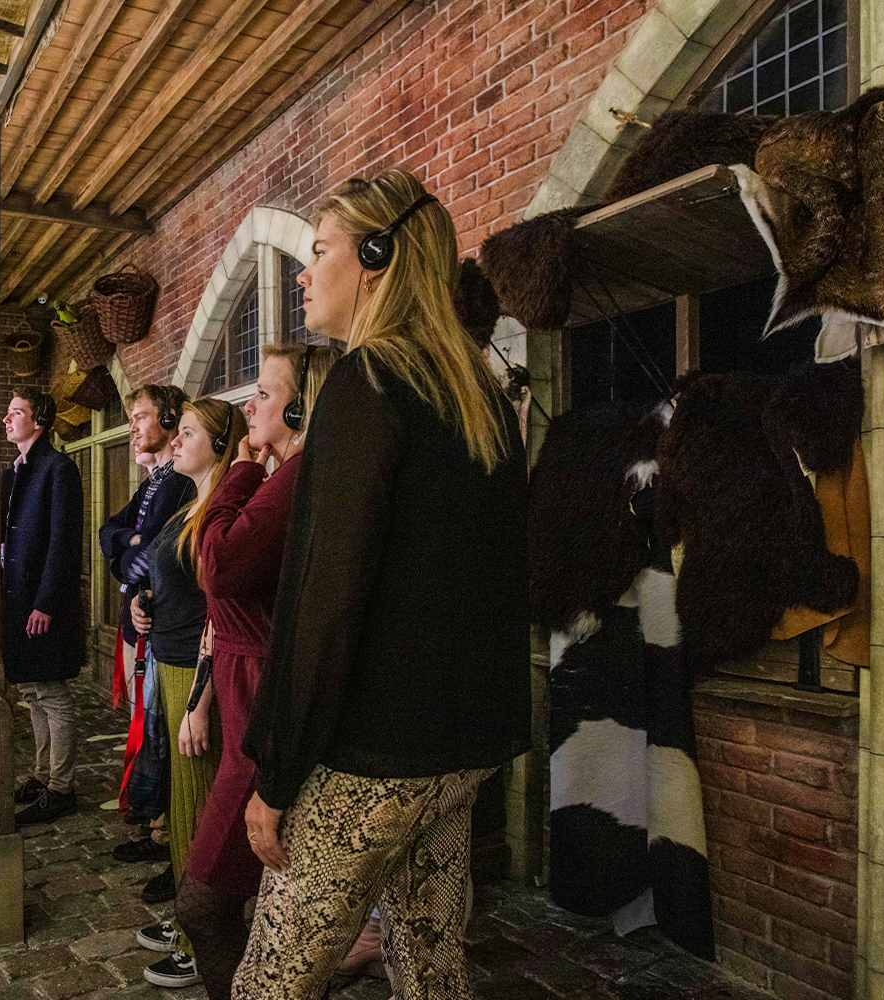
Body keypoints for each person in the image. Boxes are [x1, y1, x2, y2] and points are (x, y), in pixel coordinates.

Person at [234, 171, 530, 999]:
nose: (302, 272)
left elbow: (324, 601)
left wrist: (277, 772)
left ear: (377, 257)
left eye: (318, 251)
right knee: (431, 975)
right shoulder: (476, 393)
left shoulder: (366, 386)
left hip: (371, 760)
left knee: (270, 985)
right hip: (458, 752)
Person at [172, 342, 334, 1000]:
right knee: (253, 905)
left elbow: (224, 565)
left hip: (261, 699)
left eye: (265, 393)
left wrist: (237, 471)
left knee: (202, 906)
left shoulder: (290, 478)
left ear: (300, 407)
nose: (251, 405)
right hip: (244, 689)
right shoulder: (285, 475)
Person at [130, 397, 246, 989]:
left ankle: (204, 938)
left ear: (221, 446)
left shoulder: (223, 508)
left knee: (200, 807)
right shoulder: (189, 502)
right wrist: (140, 599)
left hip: (196, 674)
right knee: (181, 801)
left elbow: (218, 615)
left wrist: (202, 698)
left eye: (191, 432)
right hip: (168, 659)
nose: (175, 440)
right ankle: (185, 927)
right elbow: (166, 575)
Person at [101, 385, 196, 873]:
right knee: (145, 723)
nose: (133, 427)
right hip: (138, 617)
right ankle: (157, 826)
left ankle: (165, 836)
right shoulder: (153, 480)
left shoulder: (179, 481)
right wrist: (125, 544)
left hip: (166, 626)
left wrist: (127, 551)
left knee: (158, 728)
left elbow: (148, 560)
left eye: (140, 417)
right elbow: (107, 531)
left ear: (170, 418)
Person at [0, 387, 87, 826]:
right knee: (33, 692)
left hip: (42, 602)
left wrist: (47, 602)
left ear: (40, 421)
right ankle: (41, 774)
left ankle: (61, 788)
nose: (7, 419)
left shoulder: (58, 469)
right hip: (18, 600)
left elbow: (64, 543)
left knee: (52, 693)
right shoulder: (15, 470)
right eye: (8, 413)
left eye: (17, 413)